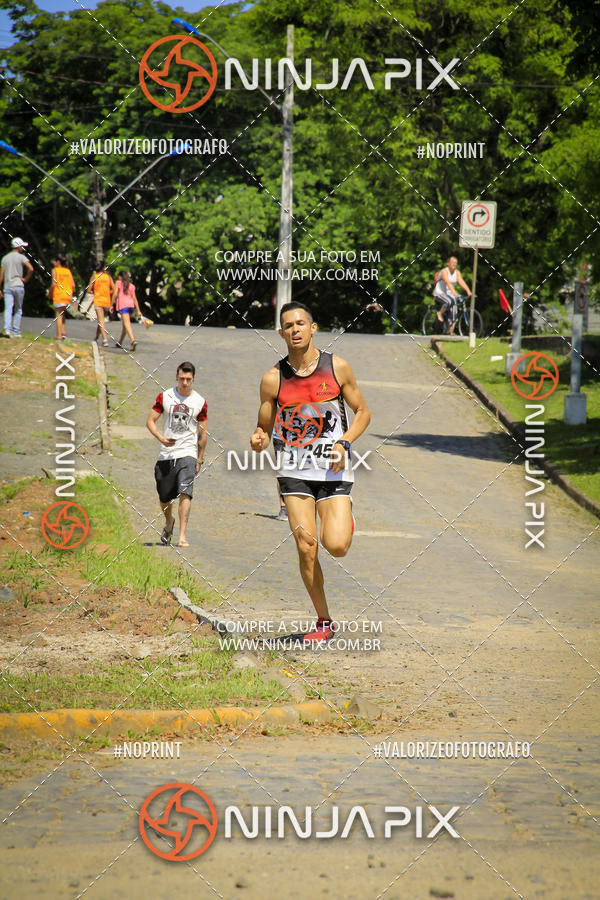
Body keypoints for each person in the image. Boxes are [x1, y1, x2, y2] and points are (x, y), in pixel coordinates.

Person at [250, 302, 371, 643]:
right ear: (281, 333)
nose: (295, 329)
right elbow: (264, 423)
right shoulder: (273, 378)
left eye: (301, 323)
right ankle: (323, 621)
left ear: (313, 327)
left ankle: (346, 518)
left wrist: (345, 442)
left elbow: (362, 411)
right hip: (295, 470)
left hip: (334, 469)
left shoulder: (337, 368)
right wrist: (259, 435)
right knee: (306, 545)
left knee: (336, 546)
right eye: (288, 325)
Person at [146, 361, 208, 549]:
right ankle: (169, 522)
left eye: (189, 379)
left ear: (193, 379)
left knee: (185, 492)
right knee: (164, 496)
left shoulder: (200, 402)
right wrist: (159, 437)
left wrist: (199, 458)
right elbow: (150, 420)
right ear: (176, 377)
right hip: (166, 454)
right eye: (182, 378)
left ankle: (182, 536)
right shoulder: (165, 396)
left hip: (188, 453)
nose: (185, 383)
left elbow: (203, 432)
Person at [0, 237, 34, 338]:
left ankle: (7, 329)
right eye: (22, 246)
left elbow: (1, 274)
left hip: (8, 286)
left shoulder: (5, 258)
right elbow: (31, 269)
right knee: (18, 309)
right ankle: (16, 331)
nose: (23, 248)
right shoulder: (21, 257)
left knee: (8, 308)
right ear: (18, 246)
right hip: (18, 285)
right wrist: (25, 279)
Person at [433, 256, 472, 335]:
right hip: (440, 293)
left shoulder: (457, 272)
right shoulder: (444, 271)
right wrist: (454, 292)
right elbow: (447, 282)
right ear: (448, 264)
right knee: (448, 301)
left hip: (450, 294)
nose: (454, 264)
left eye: (455, 263)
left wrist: (468, 291)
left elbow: (461, 281)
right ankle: (439, 313)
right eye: (452, 262)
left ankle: (450, 329)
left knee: (455, 305)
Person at [87, 260, 115, 346]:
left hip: (98, 301)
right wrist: (107, 293)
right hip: (107, 301)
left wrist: (95, 293)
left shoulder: (94, 277)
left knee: (101, 321)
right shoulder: (108, 277)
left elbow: (89, 290)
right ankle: (96, 337)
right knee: (101, 320)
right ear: (103, 267)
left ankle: (105, 340)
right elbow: (113, 289)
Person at [48, 254, 75, 341]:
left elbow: (53, 284)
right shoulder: (68, 271)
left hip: (59, 294)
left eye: (55, 261)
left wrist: (49, 293)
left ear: (58, 262)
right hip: (67, 295)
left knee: (58, 315)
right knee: (63, 314)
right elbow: (73, 285)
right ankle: (63, 332)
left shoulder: (55, 270)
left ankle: (59, 335)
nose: (54, 263)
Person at [112, 270, 141, 351]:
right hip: (131, 306)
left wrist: (111, 304)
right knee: (125, 325)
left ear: (120, 277)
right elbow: (134, 299)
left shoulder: (118, 283)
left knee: (127, 324)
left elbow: (114, 294)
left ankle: (133, 340)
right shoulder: (131, 285)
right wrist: (138, 310)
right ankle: (120, 342)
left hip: (123, 305)